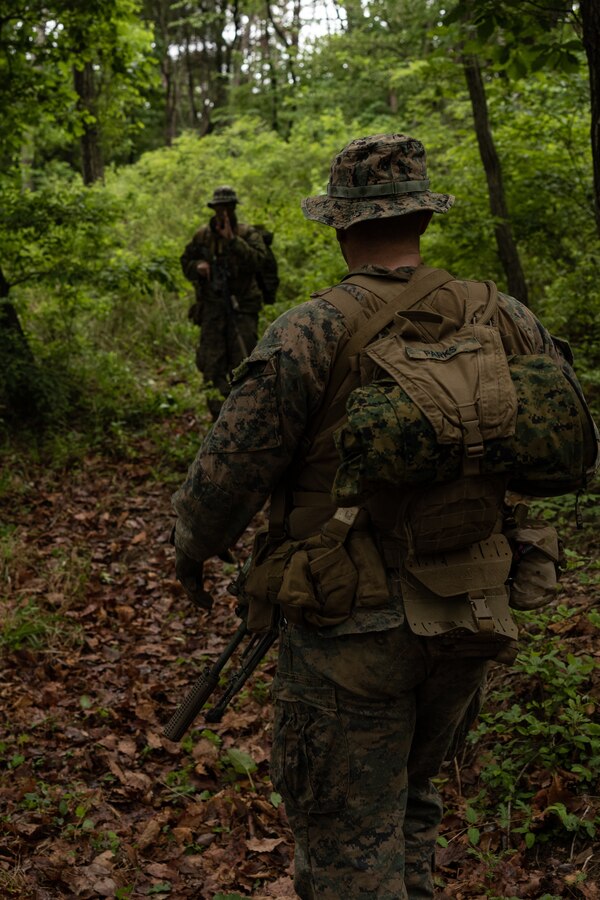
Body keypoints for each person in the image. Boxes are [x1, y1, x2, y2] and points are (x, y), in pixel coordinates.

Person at [171, 134, 594, 898]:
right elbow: (566, 438)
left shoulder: (311, 329)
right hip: (469, 610)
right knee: (412, 801)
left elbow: (226, 474)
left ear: (339, 225)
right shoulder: (504, 315)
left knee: (344, 850)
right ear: (423, 219)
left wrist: (191, 549)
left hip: (350, 627)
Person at [180, 185, 270, 420]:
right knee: (212, 363)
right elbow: (185, 262)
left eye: (227, 208)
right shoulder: (202, 236)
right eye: (219, 208)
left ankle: (246, 414)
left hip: (242, 309)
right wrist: (197, 268)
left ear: (233, 208)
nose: (223, 213)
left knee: (244, 361)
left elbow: (259, 261)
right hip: (212, 309)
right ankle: (219, 417)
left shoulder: (247, 234)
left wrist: (232, 241)